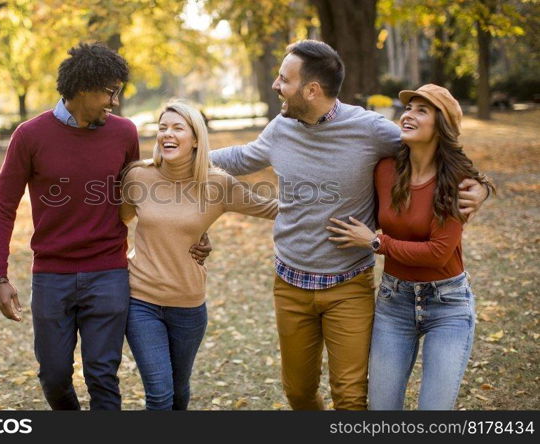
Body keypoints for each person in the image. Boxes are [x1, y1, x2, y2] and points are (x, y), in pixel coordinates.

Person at [209, 40, 489, 410]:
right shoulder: (281, 128)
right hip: (290, 282)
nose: (276, 85)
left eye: (283, 79)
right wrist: (181, 157)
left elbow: (438, 146)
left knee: (351, 397)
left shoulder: (370, 130)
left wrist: (480, 187)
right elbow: (242, 157)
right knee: (298, 393)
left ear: (311, 90)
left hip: (349, 284)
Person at [0, 43, 209, 410]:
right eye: (110, 91)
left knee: (102, 375)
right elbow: (3, 206)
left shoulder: (123, 133)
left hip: (108, 272)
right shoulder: (29, 135)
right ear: (83, 88)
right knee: (54, 376)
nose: (114, 101)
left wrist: (197, 229)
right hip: (51, 275)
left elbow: (146, 193)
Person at [326, 84, 494, 409]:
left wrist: (376, 242)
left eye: (421, 110)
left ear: (441, 125)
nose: (408, 115)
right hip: (395, 302)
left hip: (447, 304)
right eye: (408, 108)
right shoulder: (386, 170)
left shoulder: (456, 180)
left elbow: (437, 253)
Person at [119, 100, 278, 410]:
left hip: (188, 306)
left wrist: (332, 207)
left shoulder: (217, 184)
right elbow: (119, 222)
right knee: (160, 394)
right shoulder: (138, 177)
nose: (168, 134)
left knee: (179, 392)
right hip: (141, 301)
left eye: (178, 128)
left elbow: (272, 209)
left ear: (195, 139)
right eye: (162, 128)